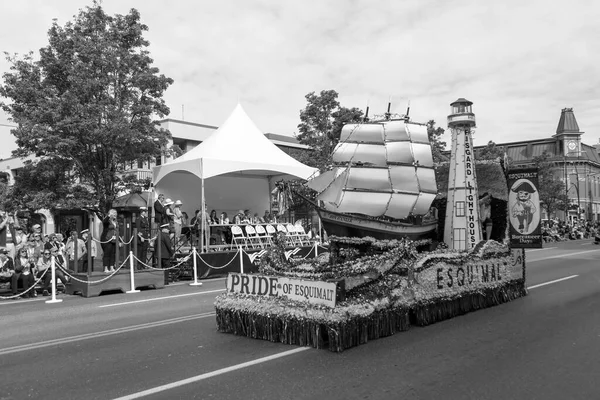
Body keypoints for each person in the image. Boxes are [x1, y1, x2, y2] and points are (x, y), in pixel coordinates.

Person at [101, 209, 119, 273]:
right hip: (106, 238)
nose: (115, 215)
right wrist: (109, 215)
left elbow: (117, 231)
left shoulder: (115, 222)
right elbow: (104, 222)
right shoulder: (107, 221)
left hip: (113, 239)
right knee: (107, 253)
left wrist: (118, 240)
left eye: (115, 214)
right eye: (113, 213)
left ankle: (111, 267)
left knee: (113, 253)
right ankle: (106, 268)